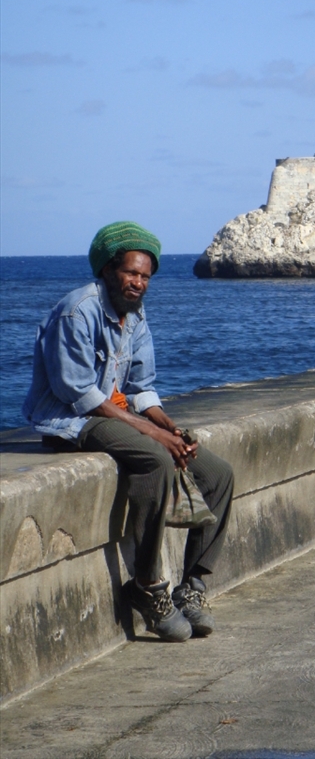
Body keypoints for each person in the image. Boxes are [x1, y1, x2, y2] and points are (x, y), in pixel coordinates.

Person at [23, 222, 234, 642]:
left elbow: (141, 388)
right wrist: (155, 438)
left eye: (145, 276)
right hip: (71, 422)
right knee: (156, 459)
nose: (138, 282)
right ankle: (147, 585)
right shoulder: (77, 312)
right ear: (106, 270)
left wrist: (172, 428)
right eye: (131, 273)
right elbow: (80, 395)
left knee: (216, 473)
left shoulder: (135, 316)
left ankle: (192, 587)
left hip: (113, 413)